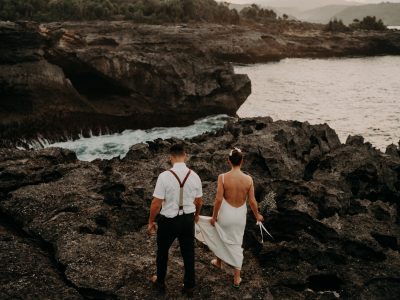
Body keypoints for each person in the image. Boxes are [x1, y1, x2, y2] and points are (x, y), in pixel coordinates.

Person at [195, 147, 264, 288]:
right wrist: (257, 215)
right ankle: (237, 277)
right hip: (239, 216)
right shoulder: (249, 179)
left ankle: (218, 262)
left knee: (219, 234)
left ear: (228, 161)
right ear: (242, 161)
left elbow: (218, 199)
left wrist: (213, 217)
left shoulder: (223, 177)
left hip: (225, 214)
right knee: (237, 242)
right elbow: (252, 201)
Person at [148, 143, 203, 297]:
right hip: (187, 220)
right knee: (188, 252)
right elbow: (199, 201)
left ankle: (160, 282)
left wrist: (151, 221)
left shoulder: (164, 176)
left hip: (168, 221)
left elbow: (156, 203)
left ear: (170, 157)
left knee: (163, 251)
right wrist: (196, 215)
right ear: (185, 155)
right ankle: (189, 285)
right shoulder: (195, 176)